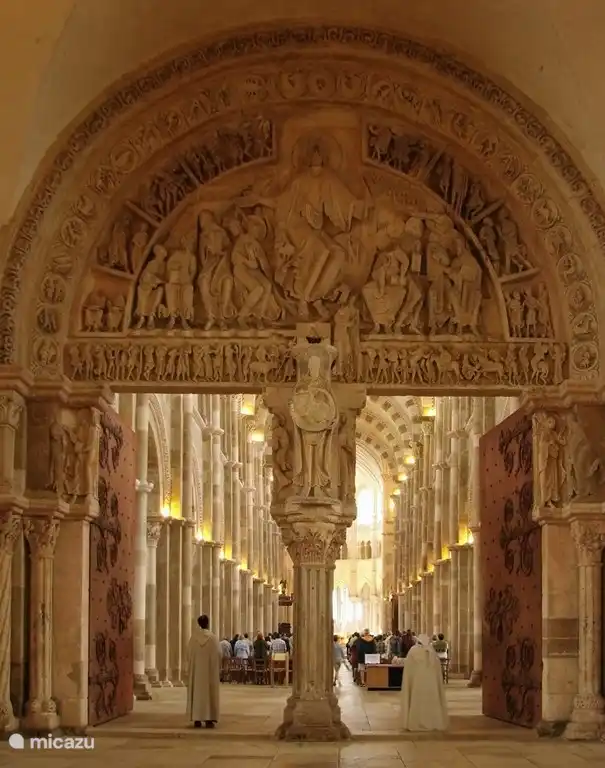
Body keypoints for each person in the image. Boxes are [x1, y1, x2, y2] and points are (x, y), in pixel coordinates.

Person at [400, 633, 448, 731]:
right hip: (431, 683)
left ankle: (417, 722)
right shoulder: (432, 651)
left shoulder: (413, 651)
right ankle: (432, 722)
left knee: (417, 700)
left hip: (417, 682)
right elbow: (437, 670)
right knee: (431, 701)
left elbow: (408, 668)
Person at [186, 614, 220, 729]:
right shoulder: (213, 638)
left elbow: (189, 654)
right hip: (210, 672)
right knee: (209, 693)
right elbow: (219, 654)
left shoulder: (193, 638)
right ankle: (209, 719)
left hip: (197, 672)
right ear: (208, 623)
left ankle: (197, 719)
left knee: (197, 693)